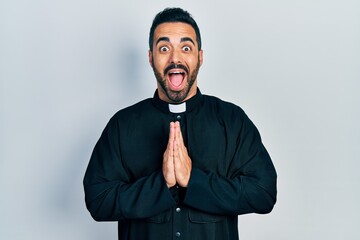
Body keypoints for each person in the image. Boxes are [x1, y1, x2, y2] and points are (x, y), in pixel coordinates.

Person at [83, 7, 277, 240]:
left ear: (200, 57)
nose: (175, 58)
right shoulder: (122, 125)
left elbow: (264, 193)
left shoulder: (232, 121)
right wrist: (160, 183)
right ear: (151, 57)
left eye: (186, 48)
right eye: (164, 48)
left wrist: (193, 180)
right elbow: (98, 200)